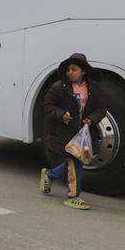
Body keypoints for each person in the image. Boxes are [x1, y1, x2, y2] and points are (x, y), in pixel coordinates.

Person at [40, 53, 108, 209]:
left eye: (74, 69)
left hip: (84, 134)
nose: (70, 72)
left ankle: (49, 175)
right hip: (64, 133)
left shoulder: (94, 89)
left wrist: (92, 118)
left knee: (74, 162)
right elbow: (48, 105)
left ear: (83, 71)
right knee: (74, 162)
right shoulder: (59, 87)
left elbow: (102, 108)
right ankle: (73, 196)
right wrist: (61, 114)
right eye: (68, 70)